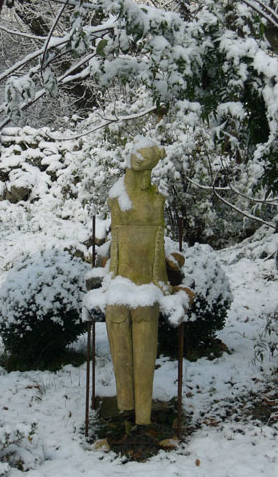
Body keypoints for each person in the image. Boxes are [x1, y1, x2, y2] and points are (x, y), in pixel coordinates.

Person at [106, 137, 168, 425]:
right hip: (121, 280)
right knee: (116, 311)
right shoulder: (117, 200)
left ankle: (143, 412)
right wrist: (110, 277)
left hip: (147, 283)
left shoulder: (157, 202)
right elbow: (116, 248)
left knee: (144, 313)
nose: (144, 180)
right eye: (140, 173)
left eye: (148, 174)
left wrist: (161, 282)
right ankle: (126, 403)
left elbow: (159, 248)